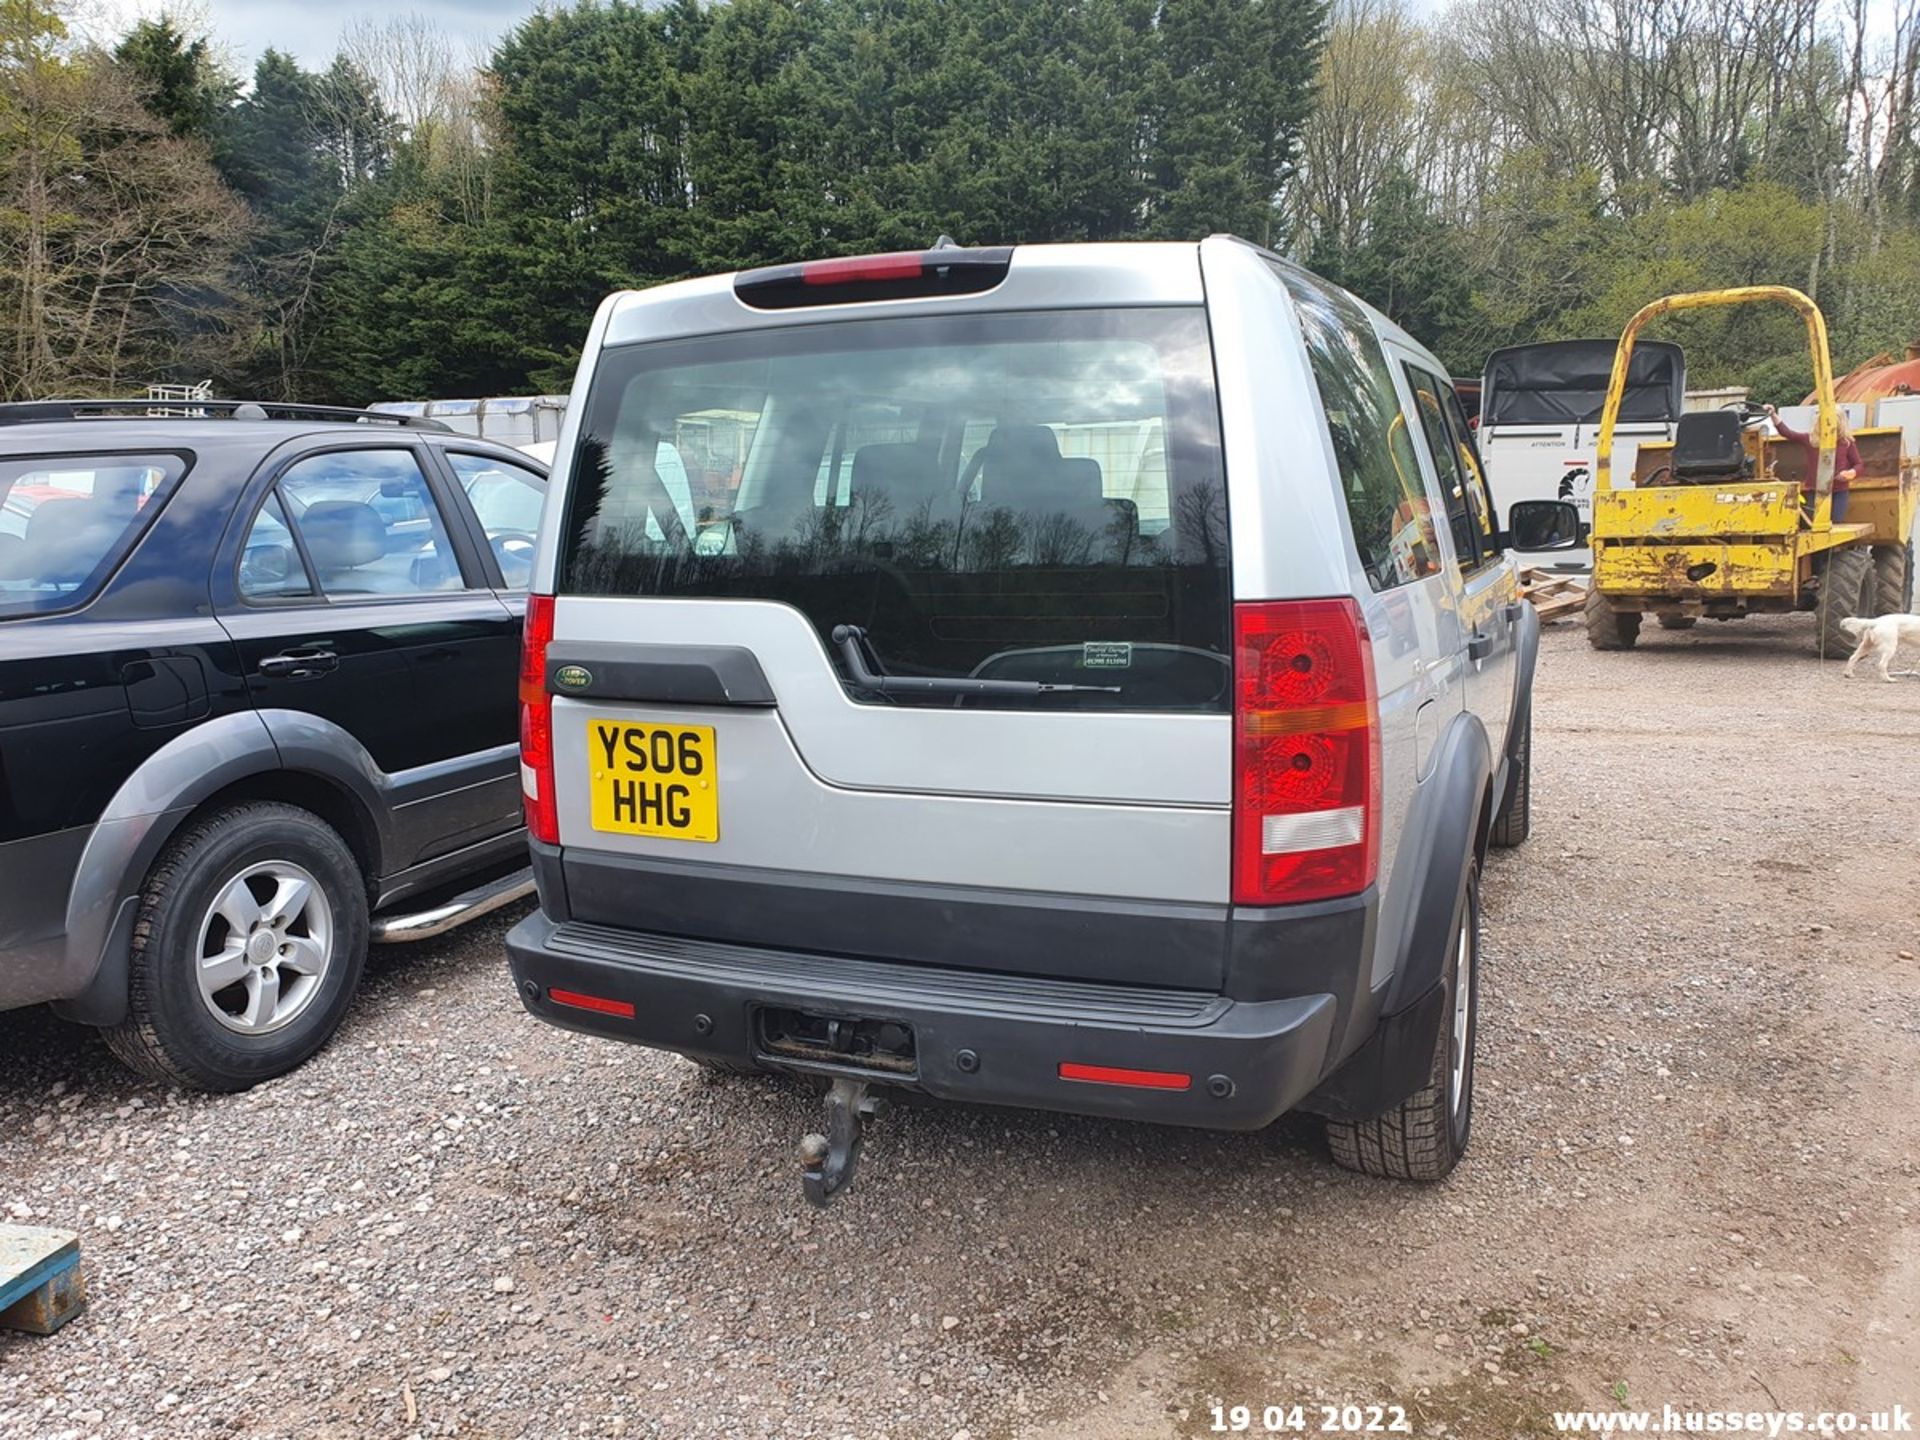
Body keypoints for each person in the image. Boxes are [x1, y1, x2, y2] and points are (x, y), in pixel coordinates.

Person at [1764, 403, 1860, 522]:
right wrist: (1773, 414)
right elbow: (1788, 433)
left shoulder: (1846, 442)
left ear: (1840, 423)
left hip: (1839, 492)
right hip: (1815, 491)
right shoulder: (1811, 440)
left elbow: (1858, 464)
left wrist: (1851, 472)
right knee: (1813, 523)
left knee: (1836, 523)